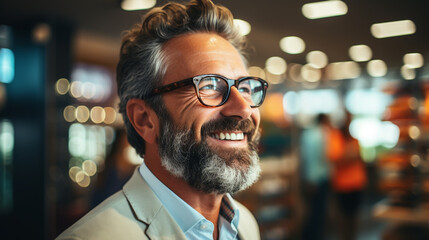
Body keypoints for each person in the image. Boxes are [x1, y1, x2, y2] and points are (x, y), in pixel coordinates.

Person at [56, 0, 268, 239]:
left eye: (246, 88)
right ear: (145, 119)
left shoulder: (245, 224)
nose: (243, 108)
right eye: (209, 85)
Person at [327, 112, 367, 240]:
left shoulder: (354, 139)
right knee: (343, 216)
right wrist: (349, 155)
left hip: (356, 184)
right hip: (342, 185)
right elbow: (336, 160)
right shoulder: (335, 138)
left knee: (354, 216)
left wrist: (351, 155)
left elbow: (360, 158)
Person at [299, 113, 331, 240]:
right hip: (321, 178)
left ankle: (309, 235)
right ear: (323, 121)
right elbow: (326, 157)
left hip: (309, 178)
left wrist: (307, 179)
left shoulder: (307, 135)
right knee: (319, 212)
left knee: (311, 211)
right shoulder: (324, 135)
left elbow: (305, 159)